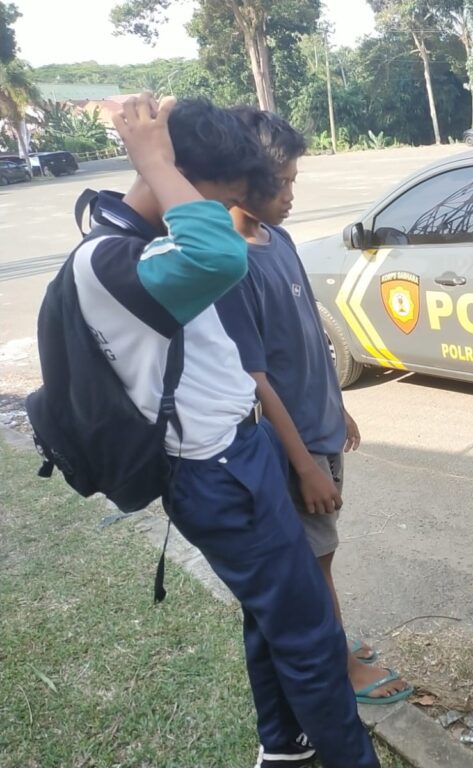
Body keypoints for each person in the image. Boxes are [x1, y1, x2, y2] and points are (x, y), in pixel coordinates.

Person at [75, 94, 379, 768]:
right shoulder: (113, 260)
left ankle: (283, 747)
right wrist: (155, 158)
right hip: (215, 472)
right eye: (220, 197)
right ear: (178, 178)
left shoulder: (155, 245)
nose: (225, 212)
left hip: (242, 451)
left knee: (273, 618)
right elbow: (221, 254)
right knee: (307, 634)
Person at [216, 107, 411, 706]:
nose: (291, 194)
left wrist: (338, 404)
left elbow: (307, 334)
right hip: (291, 445)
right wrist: (303, 465)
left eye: (294, 180)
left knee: (322, 551)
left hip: (321, 428)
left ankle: (335, 640)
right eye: (282, 183)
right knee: (315, 561)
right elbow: (255, 378)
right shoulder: (232, 266)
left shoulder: (279, 240)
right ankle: (341, 667)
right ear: (239, 180)